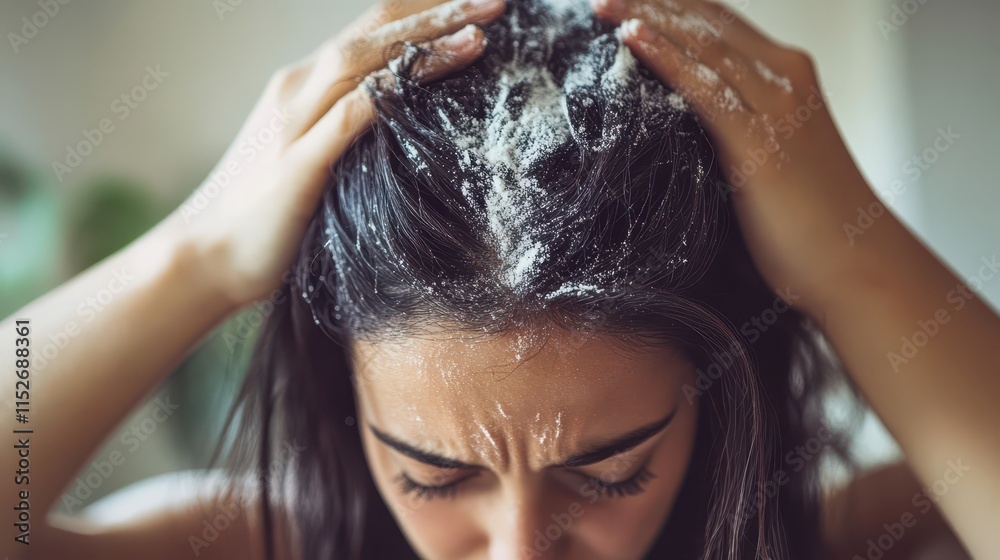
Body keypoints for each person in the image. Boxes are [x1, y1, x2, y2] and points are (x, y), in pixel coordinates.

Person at [2, 0, 996, 558]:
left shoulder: (840, 537)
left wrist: (855, 261)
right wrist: (199, 252)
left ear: (716, 386)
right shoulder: (264, 545)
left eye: (609, 471)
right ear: (347, 396)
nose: (521, 550)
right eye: (433, 475)